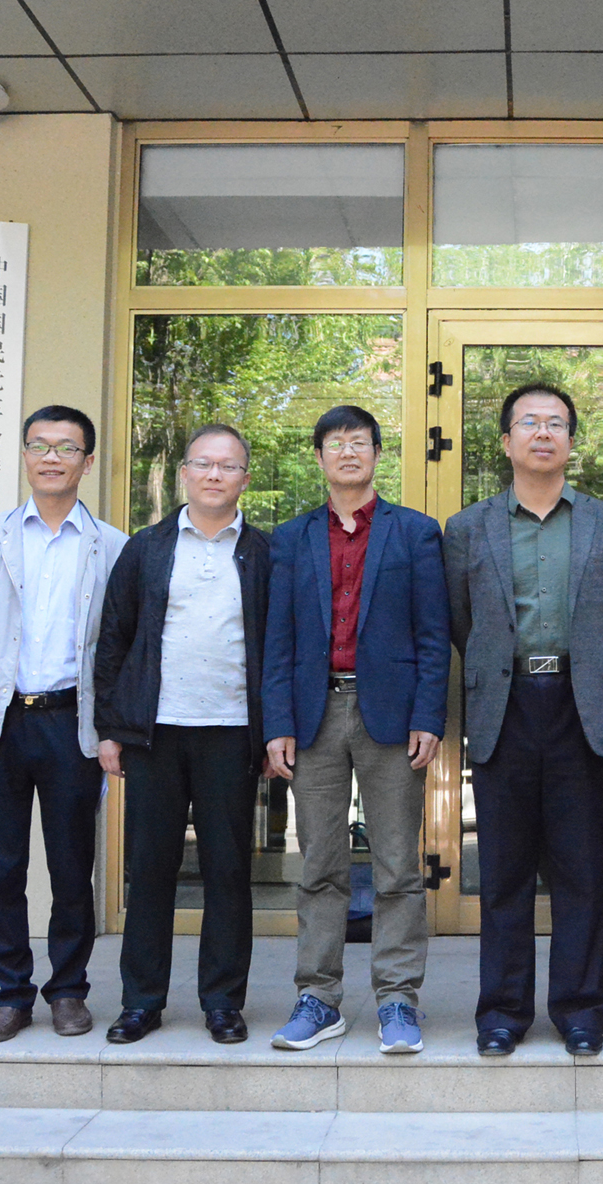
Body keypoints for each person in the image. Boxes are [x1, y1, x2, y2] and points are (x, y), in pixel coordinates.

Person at [443, 382, 603, 1058]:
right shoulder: (468, 528)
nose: (543, 433)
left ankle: (580, 1010)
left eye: (556, 423)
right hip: (506, 704)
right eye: (529, 422)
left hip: (582, 706)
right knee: (503, 871)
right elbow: (463, 621)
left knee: (580, 869)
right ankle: (502, 1012)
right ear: (506, 441)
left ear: (571, 442)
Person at [262, 405, 450, 1055]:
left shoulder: (415, 533)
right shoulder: (291, 538)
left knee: (397, 867)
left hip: (391, 717)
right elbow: (278, 640)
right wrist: (277, 722)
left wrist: (428, 715)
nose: (348, 452)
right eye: (336, 443)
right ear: (319, 457)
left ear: (376, 454)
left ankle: (398, 999)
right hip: (313, 715)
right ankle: (318, 998)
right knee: (319, 864)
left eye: (360, 442)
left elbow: (433, 636)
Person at [0, 406, 127, 1043]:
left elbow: (116, 649)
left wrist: (112, 727)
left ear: (87, 462)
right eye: (40, 446)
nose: (52, 458)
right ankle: (10, 993)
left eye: (67, 448)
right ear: (24, 456)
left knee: (73, 867)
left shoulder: (111, 545)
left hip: (71, 722)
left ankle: (69, 990)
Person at [93, 424, 271, 1046]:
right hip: (155, 733)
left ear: (245, 478)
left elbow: (279, 648)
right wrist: (110, 729)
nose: (215, 474)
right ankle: (141, 1001)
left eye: (228, 465)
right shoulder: (146, 548)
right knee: (150, 869)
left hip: (232, 731)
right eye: (203, 463)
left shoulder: (265, 552)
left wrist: (274, 733)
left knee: (228, 870)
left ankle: (223, 1002)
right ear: (184, 474)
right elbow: (114, 640)